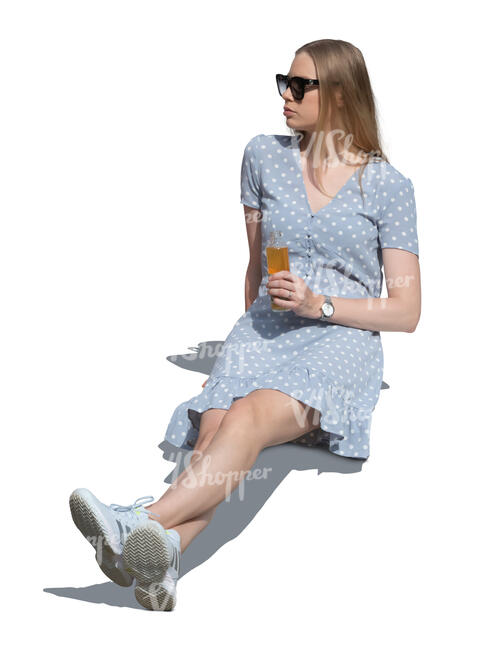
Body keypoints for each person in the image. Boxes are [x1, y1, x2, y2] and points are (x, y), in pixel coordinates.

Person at [69, 38, 421, 612]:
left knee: (251, 414)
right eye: (284, 80)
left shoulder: (388, 186)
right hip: (265, 329)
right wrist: (251, 334)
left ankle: (138, 521)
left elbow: (406, 311)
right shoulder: (263, 154)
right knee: (217, 426)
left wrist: (319, 305)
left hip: (342, 341)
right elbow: (257, 264)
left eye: (300, 85)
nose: (286, 94)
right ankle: (167, 555)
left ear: (337, 94)